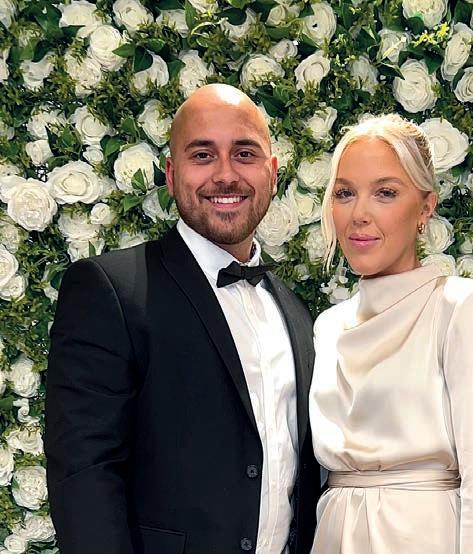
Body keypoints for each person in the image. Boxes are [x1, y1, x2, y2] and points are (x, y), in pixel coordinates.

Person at [45, 84, 321, 554]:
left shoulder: (295, 312)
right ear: (172, 175)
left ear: (272, 173)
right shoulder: (110, 290)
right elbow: (84, 475)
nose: (226, 174)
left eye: (245, 153)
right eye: (202, 155)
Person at [309, 114, 473, 553]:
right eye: (345, 193)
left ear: (425, 207)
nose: (359, 214)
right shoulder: (327, 326)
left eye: (385, 192)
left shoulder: (463, 309)